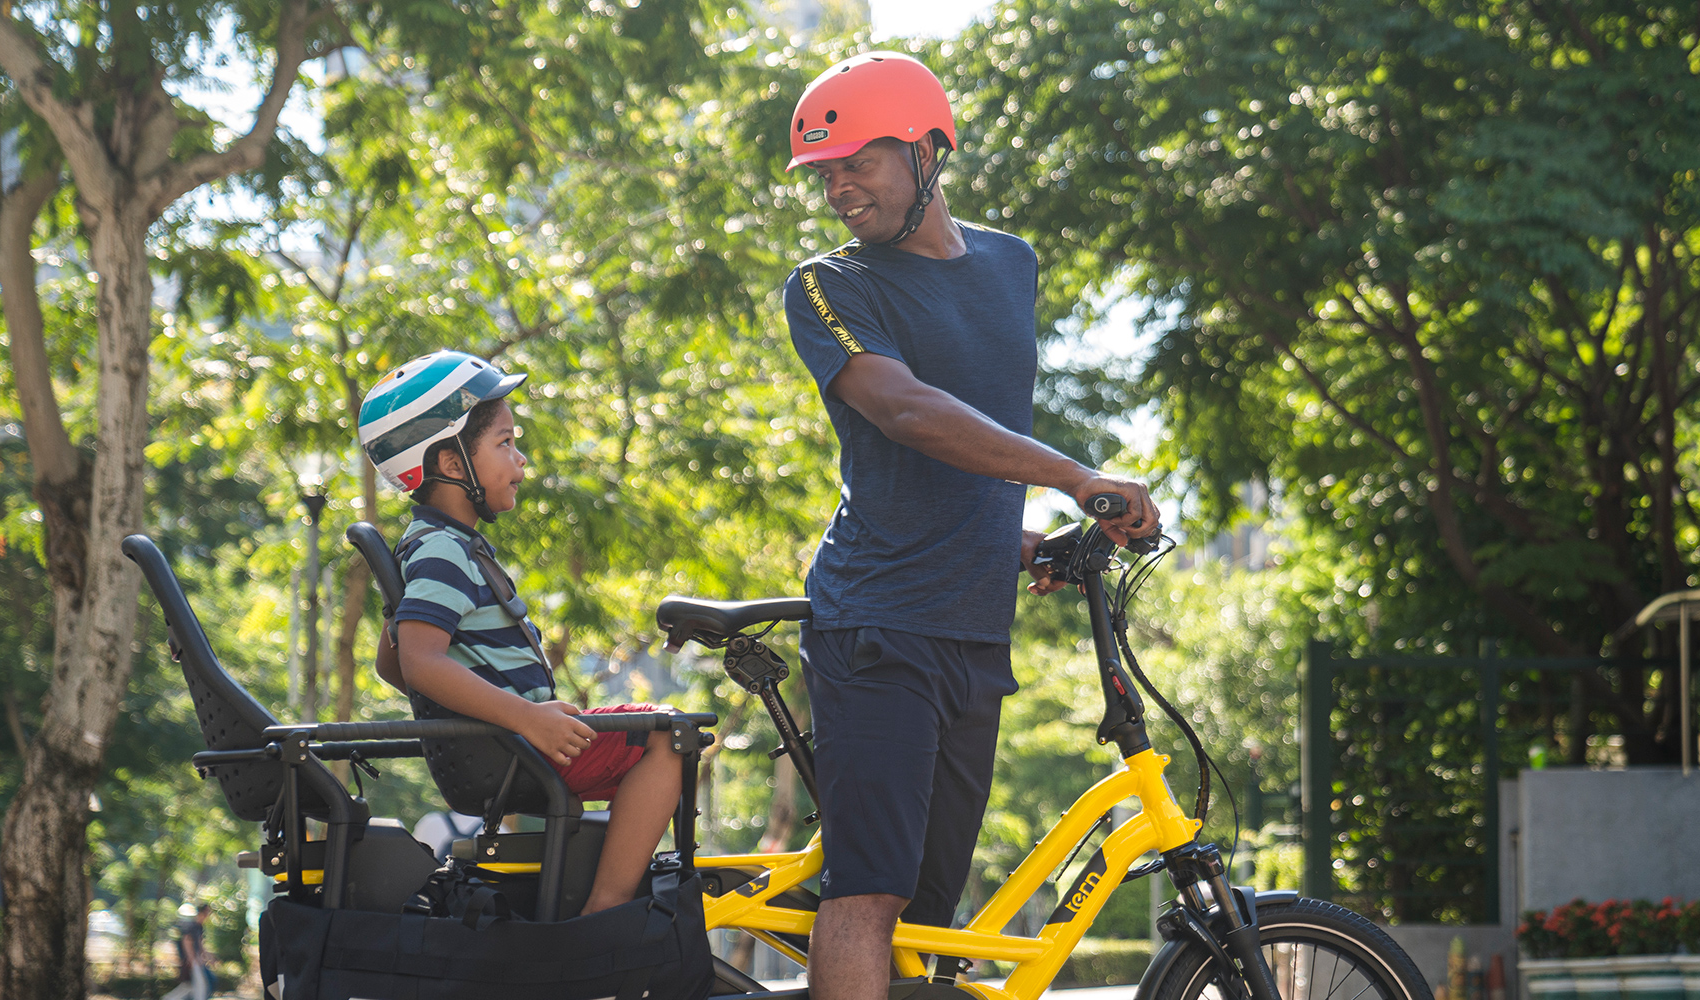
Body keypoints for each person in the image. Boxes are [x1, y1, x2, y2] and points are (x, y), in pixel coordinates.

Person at [779, 52, 1161, 1000]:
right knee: (868, 892)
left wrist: (1020, 540)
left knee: (932, 909)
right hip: (875, 625)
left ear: (925, 148)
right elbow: (906, 413)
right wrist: (1075, 477)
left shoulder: (1010, 263)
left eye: (855, 163)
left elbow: (975, 435)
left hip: (972, 622)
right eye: (824, 174)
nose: (837, 189)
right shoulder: (828, 285)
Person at [360, 350, 685, 915]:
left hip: (507, 743)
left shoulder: (438, 545)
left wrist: (487, 709)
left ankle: (602, 885)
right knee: (668, 736)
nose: (522, 459)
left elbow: (395, 664)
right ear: (453, 462)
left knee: (654, 740)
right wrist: (524, 717)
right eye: (505, 443)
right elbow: (418, 664)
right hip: (515, 747)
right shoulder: (441, 550)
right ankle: (605, 908)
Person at [161, 903, 210, 1000]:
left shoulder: (199, 927)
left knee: (189, 986)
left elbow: (200, 944)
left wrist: (205, 957)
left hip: (194, 960)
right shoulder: (192, 925)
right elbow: (186, 940)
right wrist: (192, 959)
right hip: (191, 961)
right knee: (200, 985)